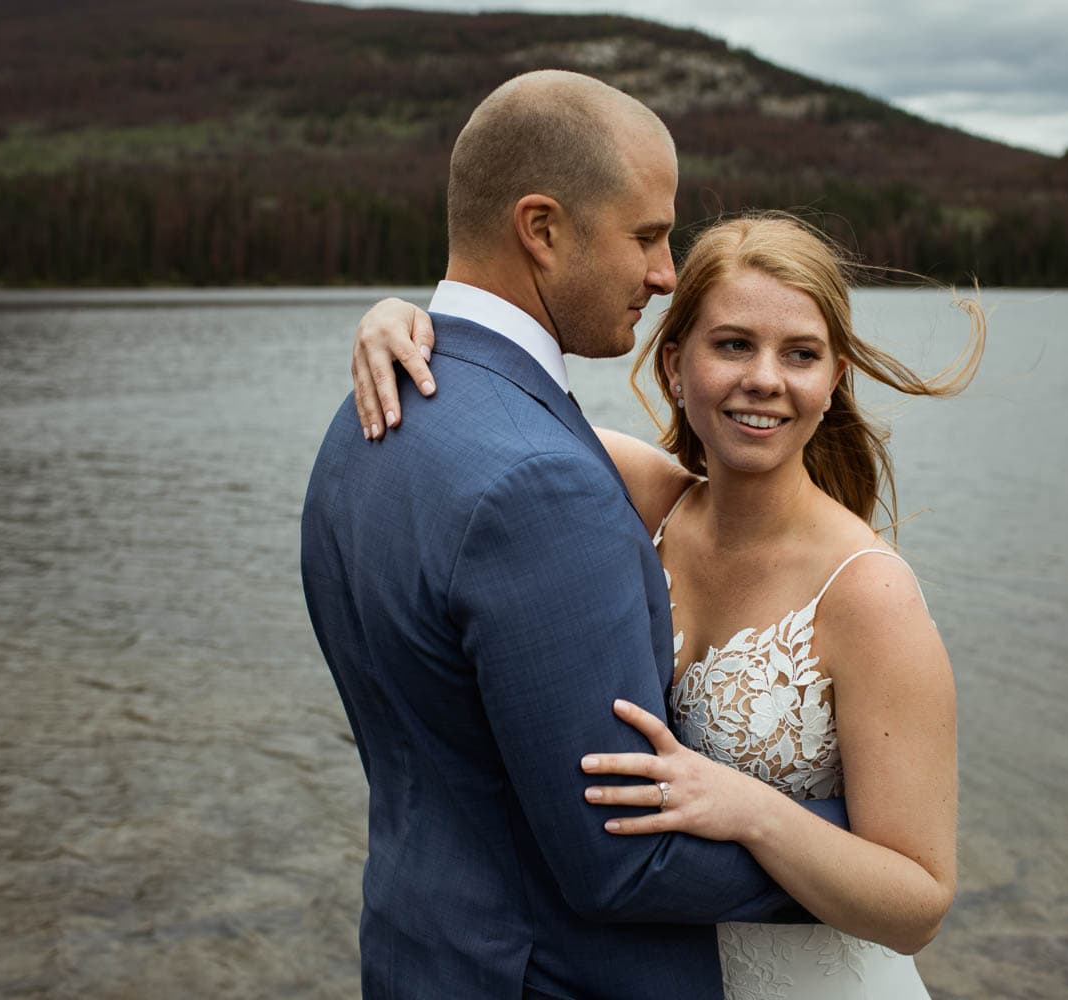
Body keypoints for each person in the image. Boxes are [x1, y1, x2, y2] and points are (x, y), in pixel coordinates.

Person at [301, 72, 849, 1000]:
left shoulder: (368, 417)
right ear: (542, 228)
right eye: (645, 235)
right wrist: (847, 845)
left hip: (418, 952)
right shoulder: (539, 486)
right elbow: (623, 865)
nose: (666, 272)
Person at [348, 212, 986, 998]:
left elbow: (919, 900)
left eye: (801, 354)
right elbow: (497, 417)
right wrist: (397, 321)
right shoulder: (639, 497)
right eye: (733, 345)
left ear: (834, 380)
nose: (765, 378)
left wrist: (752, 810)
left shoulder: (869, 594)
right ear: (677, 366)